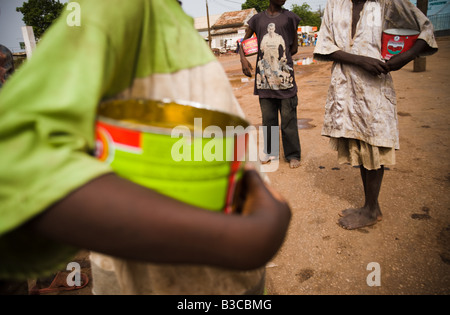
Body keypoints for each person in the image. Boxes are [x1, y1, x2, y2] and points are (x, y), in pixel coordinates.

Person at [0, 0, 291, 294]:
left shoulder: (172, 18)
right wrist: (231, 239)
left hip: (225, 281)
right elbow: (14, 165)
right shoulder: (117, 8)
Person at [313, 0, 438, 230]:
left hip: (374, 88)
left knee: (374, 145)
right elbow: (326, 45)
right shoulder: (335, 4)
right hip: (346, 86)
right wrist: (359, 60)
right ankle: (370, 206)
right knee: (362, 146)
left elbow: (426, 29)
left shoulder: (387, 3)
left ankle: (371, 209)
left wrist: (404, 58)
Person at [240, 0, 301, 169]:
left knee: (289, 118)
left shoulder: (290, 18)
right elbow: (243, 44)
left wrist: (280, 59)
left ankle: (293, 155)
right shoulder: (257, 20)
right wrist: (243, 59)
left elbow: (293, 48)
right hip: (264, 81)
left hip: (284, 79)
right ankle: (270, 152)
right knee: (268, 119)